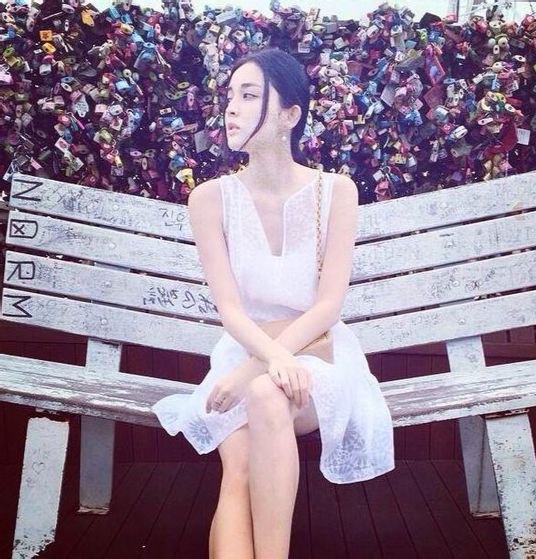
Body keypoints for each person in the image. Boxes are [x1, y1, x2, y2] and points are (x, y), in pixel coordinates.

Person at [151, 47, 394, 559]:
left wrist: (259, 368)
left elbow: (327, 307)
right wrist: (258, 361)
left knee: (265, 393)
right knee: (237, 469)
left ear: (290, 115)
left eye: (250, 95)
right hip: (244, 349)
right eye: (230, 96)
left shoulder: (336, 192)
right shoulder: (209, 200)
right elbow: (231, 311)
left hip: (317, 355)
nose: (231, 109)